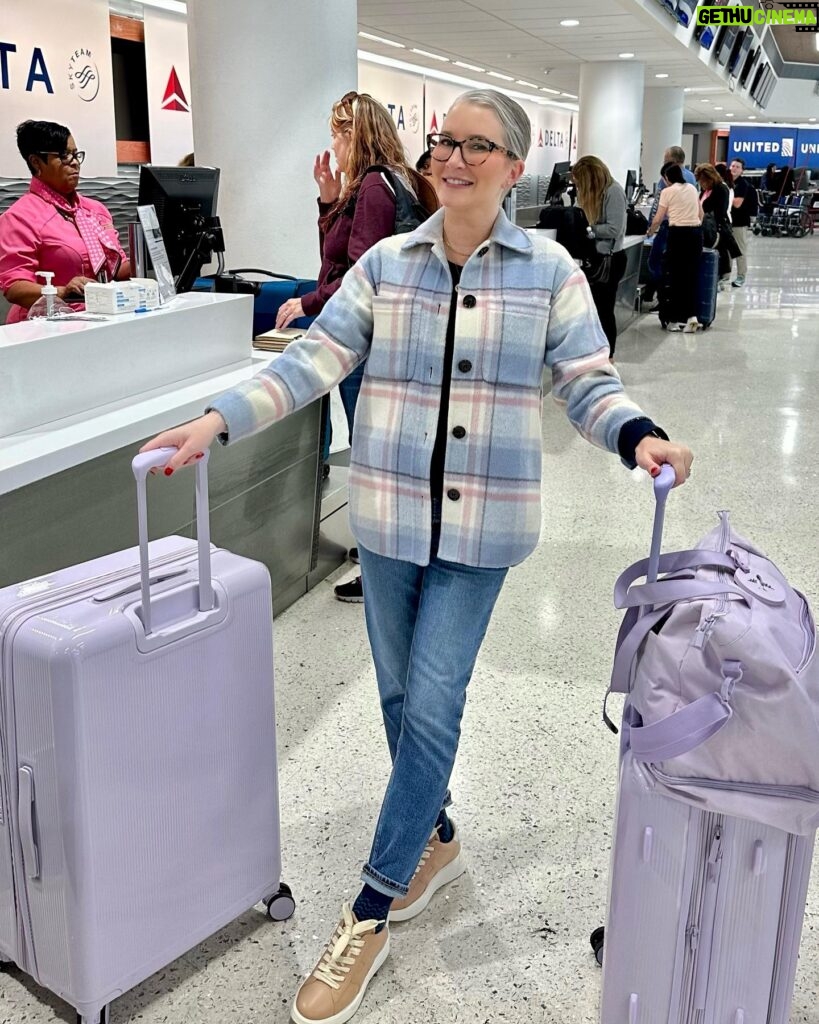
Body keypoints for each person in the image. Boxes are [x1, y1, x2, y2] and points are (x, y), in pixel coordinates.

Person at [140, 89, 693, 1024]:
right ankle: (432, 834)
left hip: (482, 534)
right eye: (445, 141)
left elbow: (586, 383)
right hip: (390, 520)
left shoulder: (549, 271)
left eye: (477, 146)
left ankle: (369, 909)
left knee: (432, 700)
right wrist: (217, 420)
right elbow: (309, 362)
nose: (452, 157)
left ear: (514, 168)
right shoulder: (386, 265)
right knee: (397, 699)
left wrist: (636, 432)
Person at [274, 91, 438, 605]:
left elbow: (357, 276)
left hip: (368, 346)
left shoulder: (373, 186)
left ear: (354, 133)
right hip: (396, 341)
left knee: (375, 461)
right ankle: (392, 559)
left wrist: (308, 302)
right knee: (392, 456)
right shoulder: (398, 179)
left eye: (338, 134)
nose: (334, 145)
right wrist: (328, 198)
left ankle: (384, 571)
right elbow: (343, 254)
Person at [0, 120, 130, 324]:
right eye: (63, 155)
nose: (74, 162)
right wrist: (62, 291)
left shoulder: (96, 210)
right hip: (44, 326)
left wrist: (154, 255)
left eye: (76, 154)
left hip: (100, 319)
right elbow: (14, 286)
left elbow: (117, 269)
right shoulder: (19, 217)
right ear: (36, 162)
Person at [571, 155, 627, 359]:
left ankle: (608, 356)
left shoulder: (613, 192)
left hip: (609, 261)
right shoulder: (592, 194)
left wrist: (590, 230)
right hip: (595, 258)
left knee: (604, 310)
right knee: (589, 310)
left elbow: (614, 228)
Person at [647, 162, 703, 333]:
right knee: (691, 277)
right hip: (695, 235)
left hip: (677, 235)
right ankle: (691, 317)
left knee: (674, 277)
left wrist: (650, 231)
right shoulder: (692, 189)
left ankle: (672, 320)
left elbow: (658, 218)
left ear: (666, 178)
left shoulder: (667, 191)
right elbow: (701, 213)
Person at [696, 162, 740, 289]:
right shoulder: (705, 191)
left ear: (710, 178)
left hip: (716, 229)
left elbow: (720, 211)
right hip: (704, 227)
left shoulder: (721, 189)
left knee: (720, 256)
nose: (701, 184)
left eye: (703, 181)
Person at [728, 157, 754, 287]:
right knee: (726, 250)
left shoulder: (743, 184)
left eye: (737, 167)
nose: (734, 168)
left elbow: (737, 204)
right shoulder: (726, 183)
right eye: (733, 166)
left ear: (742, 170)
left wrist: (726, 198)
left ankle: (741, 276)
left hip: (739, 222)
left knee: (740, 250)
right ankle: (724, 276)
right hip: (727, 222)